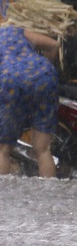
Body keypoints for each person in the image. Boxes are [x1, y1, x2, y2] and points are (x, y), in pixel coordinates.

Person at [0, 22, 59, 177]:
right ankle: (49, 195)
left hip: (10, 80)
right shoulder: (14, 30)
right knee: (43, 150)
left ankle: (3, 198)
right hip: (43, 73)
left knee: (3, 150)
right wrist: (42, 74)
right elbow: (54, 44)